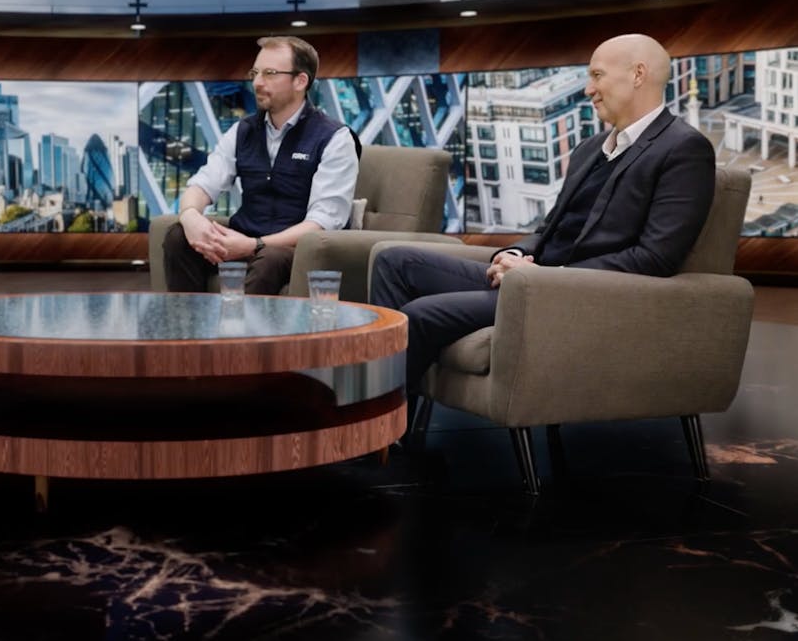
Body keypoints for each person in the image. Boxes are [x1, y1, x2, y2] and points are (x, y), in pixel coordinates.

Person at [370, 33, 716, 423]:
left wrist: (548, 277)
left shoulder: (684, 148)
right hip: (531, 279)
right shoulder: (591, 148)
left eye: (597, 75)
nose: (588, 90)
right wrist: (515, 253)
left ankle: (375, 427)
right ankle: (386, 416)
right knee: (393, 261)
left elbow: (655, 258)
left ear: (638, 75)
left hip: (572, 296)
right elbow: (549, 228)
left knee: (418, 314)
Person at [163, 35, 360, 294]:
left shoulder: (335, 138)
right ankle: (187, 320)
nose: (257, 82)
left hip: (293, 249)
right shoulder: (242, 131)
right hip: (244, 239)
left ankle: (242, 323)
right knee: (178, 236)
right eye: (255, 73)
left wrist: (254, 244)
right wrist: (190, 216)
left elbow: (322, 223)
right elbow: (203, 184)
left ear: (300, 81)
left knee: (270, 259)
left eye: (270, 73)